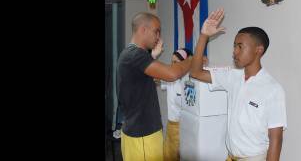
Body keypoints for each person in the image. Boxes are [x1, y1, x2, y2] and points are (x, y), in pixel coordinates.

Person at [190, 9, 287, 161]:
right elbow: (195, 73)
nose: (234, 52)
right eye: (234, 46)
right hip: (230, 157)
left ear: (258, 50)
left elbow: (276, 138)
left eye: (240, 47)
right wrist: (204, 36)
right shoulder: (232, 76)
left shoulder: (272, 89)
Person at [117, 12, 192, 161]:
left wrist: (152, 57)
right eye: (156, 31)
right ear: (143, 30)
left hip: (136, 133)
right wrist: (193, 59)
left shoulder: (129, 54)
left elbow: (138, 76)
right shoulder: (136, 55)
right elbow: (172, 74)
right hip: (143, 136)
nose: (158, 37)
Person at [162, 49, 208, 161]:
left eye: (176, 62)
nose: (172, 65)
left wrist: (200, 62)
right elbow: (154, 76)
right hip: (171, 126)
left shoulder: (191, 81)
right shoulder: (169, 78)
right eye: (171, 62)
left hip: (185, 126)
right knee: (168, 156)